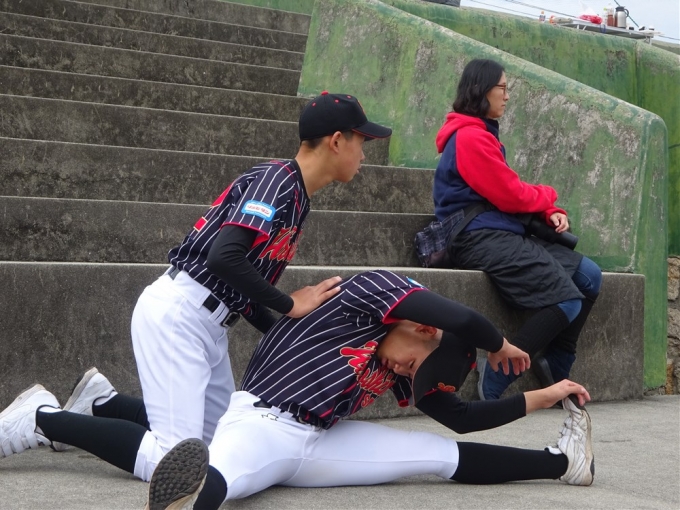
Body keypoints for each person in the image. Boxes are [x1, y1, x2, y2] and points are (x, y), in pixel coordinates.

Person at [0, 93, 392, 484]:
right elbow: (224, 257)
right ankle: (40, 418)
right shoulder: (278, 181)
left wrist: (287, 337)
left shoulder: (296, 195)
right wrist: (290, 304)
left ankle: (101, 404)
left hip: (209, 322)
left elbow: (241, 284)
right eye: (362, 141)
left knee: (216, 447)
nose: (364, 154)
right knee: (172, 460)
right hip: (181, 313)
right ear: (336, 141)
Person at [142, 270, 594, 510]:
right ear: (423, 329)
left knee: (435, 453)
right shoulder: (369, 296)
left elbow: (460, 418)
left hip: (321, 439)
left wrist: (545, 396)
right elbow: (462, 318)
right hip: (263, 420)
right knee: (225, 473)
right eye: (412, 365)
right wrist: (499, 345)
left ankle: (564, 463)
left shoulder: (403, 351)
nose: (403, 371)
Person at [432, 58, 602, 400]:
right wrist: (549, 195)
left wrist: (549, 211)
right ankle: (500, 369)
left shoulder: (482, 134)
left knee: (589, 276)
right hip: (477, 236)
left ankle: (556, 362)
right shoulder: (470, 138)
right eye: (503, 88)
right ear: (481, 91)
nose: (507, 96)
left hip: (500, 229)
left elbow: (505, 190)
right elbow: (509, 194)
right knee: (567, 299)